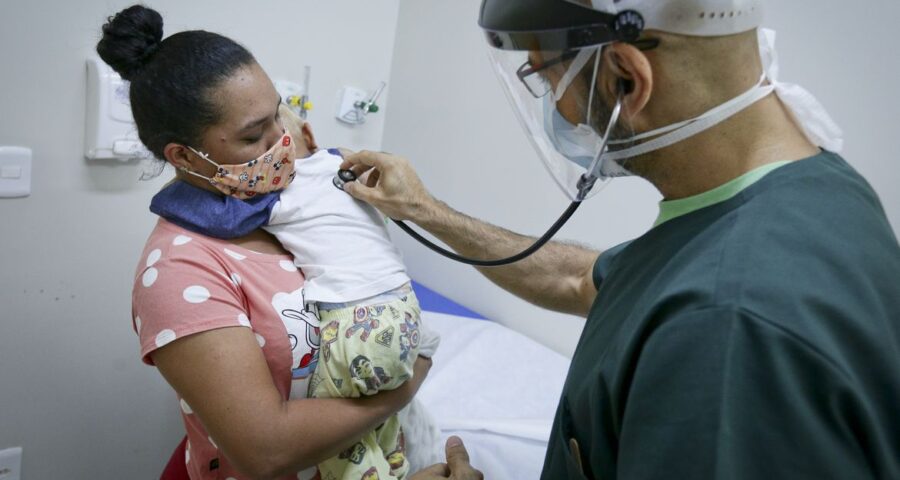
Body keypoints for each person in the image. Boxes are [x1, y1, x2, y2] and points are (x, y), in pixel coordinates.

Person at [337, 0, 900, 478]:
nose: (554, 107)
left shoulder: (725, 327)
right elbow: (581, 279)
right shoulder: (810, 188)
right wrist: (423, 209)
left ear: (628, 79)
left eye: (545, 77)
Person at [97, 5, 476, 480]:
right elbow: (267, 451)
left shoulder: (292, 201)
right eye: (254, 135)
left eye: (279, 114)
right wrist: (401, 388)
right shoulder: (177, 271)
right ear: (183, 156)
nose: (282, 142)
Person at [152, 99, 445, 478]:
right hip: (404, 313)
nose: (270, 157)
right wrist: (400, 392)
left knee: (340, 431)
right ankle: (393, 464)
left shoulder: (279, 197)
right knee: (375, 426)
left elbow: (218, 216)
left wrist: (175, 196)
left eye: (276, 133)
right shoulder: (341, 172)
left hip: (360, 324)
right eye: (254, 138)